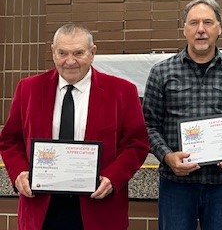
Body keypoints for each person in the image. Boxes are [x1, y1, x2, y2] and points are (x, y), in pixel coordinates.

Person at [0, 23, 150, 230]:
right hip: (41, 206)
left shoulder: (122, 91)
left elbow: (137, 143)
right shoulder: (29, 89)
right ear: (53, 52)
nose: (70, 61)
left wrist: (113, 178)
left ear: (92, 52)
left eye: (78, 53)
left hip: (98, 207)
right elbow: (10, 139)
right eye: (62, 53)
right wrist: (19, 173)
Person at [143, 0, 222, 230]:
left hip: (221, 184)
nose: (201, 30)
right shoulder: (162, 72)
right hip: (176, 184)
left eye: (208, 22)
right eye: (194, 23)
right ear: (184, 29)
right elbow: (148, 124)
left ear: (219, 28)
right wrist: (167, 156)